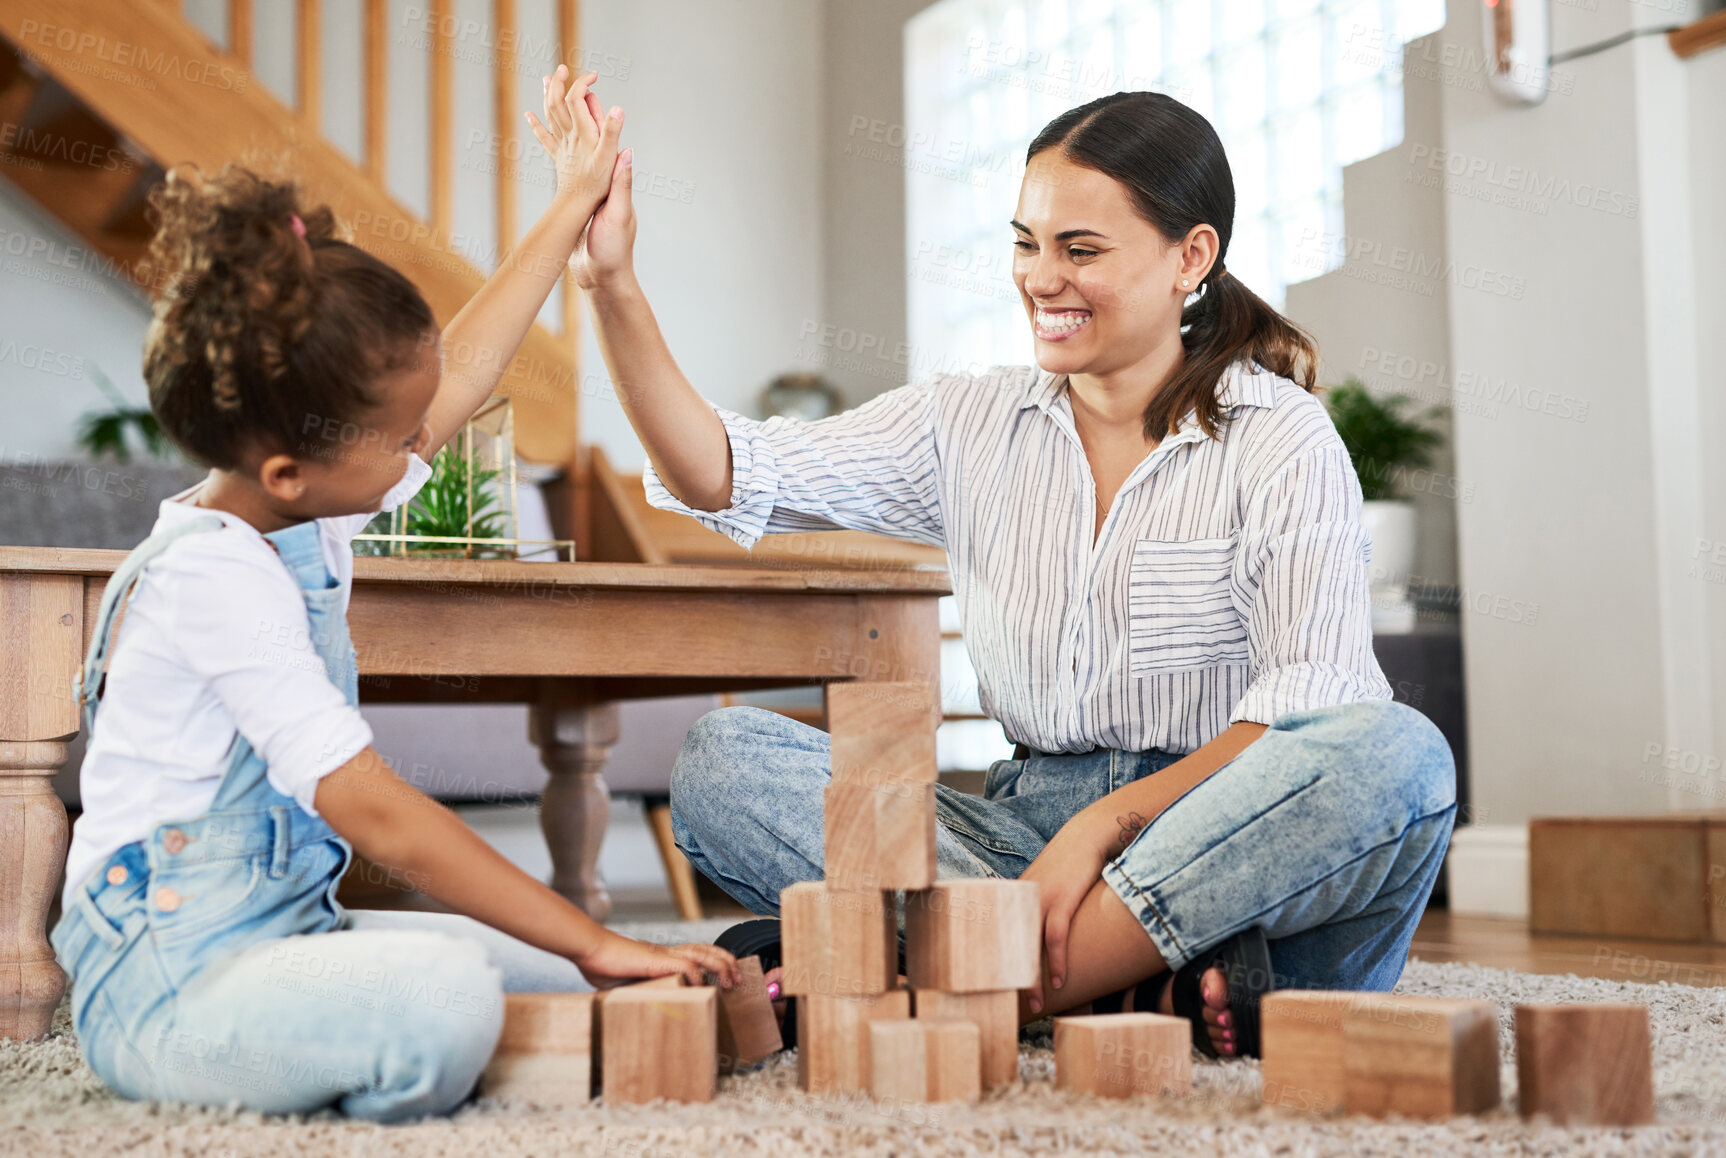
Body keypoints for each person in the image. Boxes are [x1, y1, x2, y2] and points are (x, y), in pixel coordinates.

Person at [571, 89, 1457, 1061]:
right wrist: (612, 283)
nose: (1041, 279)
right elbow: (726, 472)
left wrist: (1103, 834)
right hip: (1015, 842)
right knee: (724, 762)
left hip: (1221, 832)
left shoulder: (1278, 436)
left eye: (1079, 250)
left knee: (1398, 759)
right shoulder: (967, 422)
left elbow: (1305, 712)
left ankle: (942, 975)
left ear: (1190, 259)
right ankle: (1137, 987)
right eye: (1025, 243)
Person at [51, 67, 737, 1123]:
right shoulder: (212, 574)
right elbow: (379, 813)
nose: (427, 442)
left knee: (552, 976)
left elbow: (456, 370)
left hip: (279, 944)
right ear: (290, 467)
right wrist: (597, 930)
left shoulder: (300, 504)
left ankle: (515, 1031)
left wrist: (569, 201)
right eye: (403, 435)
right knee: (452, 1000)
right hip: (162, 987)